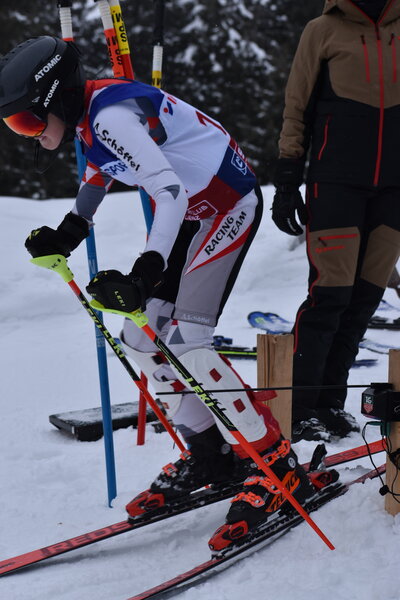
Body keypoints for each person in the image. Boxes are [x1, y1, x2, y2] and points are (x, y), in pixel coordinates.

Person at [0, 36, 322, 550]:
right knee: (140, 337)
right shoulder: (90, 117)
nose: (27, 135)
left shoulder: (110, 117)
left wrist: (145, 272)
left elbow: (168, 192)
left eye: (27, 121)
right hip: (195, 213)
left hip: (225, 207)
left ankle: (275, 463)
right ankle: (209, 453)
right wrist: (70, 229)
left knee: (190, 340)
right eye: (15, 125)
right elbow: (99, 172)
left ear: (56, 99)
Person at [272, 0, 400, 443]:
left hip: (394, 190)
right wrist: (288, 176)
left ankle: (329, 402)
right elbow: (297, 103)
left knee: (365, 298)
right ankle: (300, 406)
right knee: (330, 296)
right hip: (336, 183)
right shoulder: (322, 30)